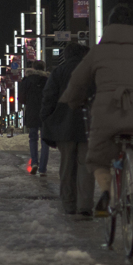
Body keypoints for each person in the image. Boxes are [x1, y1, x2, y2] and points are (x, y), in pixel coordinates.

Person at [60, 5, 133, 216]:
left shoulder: (98, 51)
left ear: (109, 26)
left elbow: (78, 81)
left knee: (98, 157)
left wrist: (73, 100)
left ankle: (107, 192)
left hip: (106, 113)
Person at [40, 42, 94, 215]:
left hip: (64, 125)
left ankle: (69, 203)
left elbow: (49, 97)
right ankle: (85, 205)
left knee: (67, 166)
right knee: (86, 167)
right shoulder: (92, 71)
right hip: (88, 126)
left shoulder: (59, 72)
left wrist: (46, 120)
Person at [18, 60, 50, 176]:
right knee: (45, 140)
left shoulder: (27, 80)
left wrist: (29, 101)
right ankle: (43, 169)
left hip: (31, 111)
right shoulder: (48, 80)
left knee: (33, 138)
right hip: (46, 112)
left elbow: (21, 99)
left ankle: (34, 163)